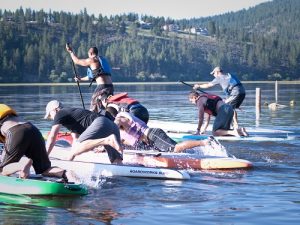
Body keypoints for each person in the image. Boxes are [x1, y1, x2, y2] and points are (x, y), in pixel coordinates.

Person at [0, 104, 69, 181]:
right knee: (44, 169)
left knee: (3, 169)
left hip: (15, 131)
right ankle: (66, 174)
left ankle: (22, 164)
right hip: (32, 129)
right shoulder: (4, 109)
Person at [44, 100, 123, 163]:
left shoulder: (60, 113)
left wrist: (45, 157)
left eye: (50, 115)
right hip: (112, 125)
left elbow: (52, 137)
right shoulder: (71, 116)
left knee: (78, 147)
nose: (51, 118)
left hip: (101, 123)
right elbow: (76, 140)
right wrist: (70, 159)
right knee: (117, 162)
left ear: (55, 110)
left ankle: (107, 140)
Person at [112, 110, 214, 153]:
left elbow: (116, 123)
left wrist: (109, 130)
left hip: (153, 135)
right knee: (177, 150)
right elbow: (123, 142)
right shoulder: (123, 128)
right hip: (150, 140)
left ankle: (204, 142)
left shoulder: (120, 118)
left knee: (175, 149)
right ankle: (194, 151)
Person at [66, 44, 114, 112]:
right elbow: (90, 76)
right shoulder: (101, 60)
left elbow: (76, 61)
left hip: (102, 87)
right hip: (110, 87)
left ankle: (92, 118)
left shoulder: (92, 60)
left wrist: (71, 52)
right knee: (107, 105)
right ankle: (110, 115)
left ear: (90, 53)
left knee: (93, 107)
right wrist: (80, 79)